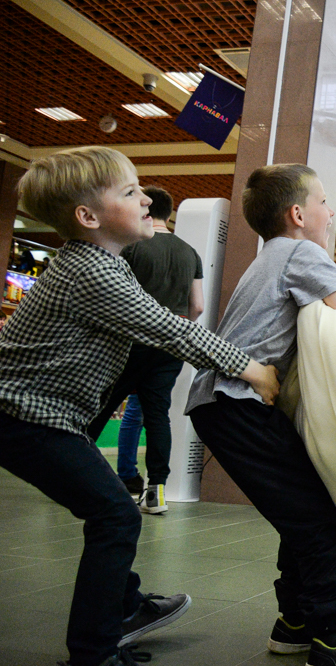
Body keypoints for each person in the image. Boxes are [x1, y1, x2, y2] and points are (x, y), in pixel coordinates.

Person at [0, 146, 280, 666]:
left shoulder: (109, 264)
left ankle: (123, 606)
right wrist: (255, 371)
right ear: (88, 217)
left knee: (108, 509)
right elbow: (173, 329)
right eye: (130, 192)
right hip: (22, 416)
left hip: (41, 415)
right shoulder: (93, 272)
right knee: (113, 515)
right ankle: (94, 651)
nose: (147, 196)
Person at [184, 164, 336, 666]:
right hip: (238, 404)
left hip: (221, 404)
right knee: (317, 524)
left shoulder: (270, 256)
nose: (331, 210)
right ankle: (334, 642)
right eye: (324, 201)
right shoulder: (303, 252)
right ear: (299, 214)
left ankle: (296, 623)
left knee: (305, 516)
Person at [85, 185, 206, 510]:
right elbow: (197, 306)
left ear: (146, 210)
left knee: (98, 407)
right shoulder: (189, 252)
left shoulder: (133, 246)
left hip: (129, 342)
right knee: (157, 416)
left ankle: (80, 479)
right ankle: (155, 491)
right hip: (170, 347)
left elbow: (111, 297)